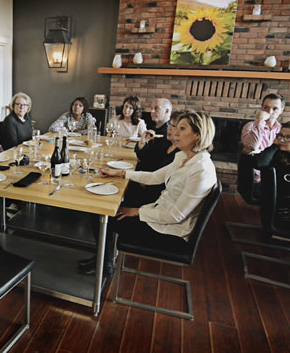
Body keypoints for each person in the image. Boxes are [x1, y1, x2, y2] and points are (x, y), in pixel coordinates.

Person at [78, 111, 217, 276]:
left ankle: (105, 264)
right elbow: (154, 177)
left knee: (101, 212)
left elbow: (176, 215)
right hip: (160, 215)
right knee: (105, 207)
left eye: (182, 129)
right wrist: (121, 174)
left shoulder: (201, 170)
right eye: (177, 127)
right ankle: (102, 258)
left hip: (170, 232)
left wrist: (137, 212)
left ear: (197, 135)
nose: (176, 133)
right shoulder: (183, 158)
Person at [123, 110, 188, 206]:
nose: (169, 128)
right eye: (169, 124)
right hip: (141, 184)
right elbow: (143, 156)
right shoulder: (165, 142)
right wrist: (143, 141)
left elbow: (162, 184)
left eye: (173, 126)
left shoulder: (181, 155)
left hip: (152, 198)